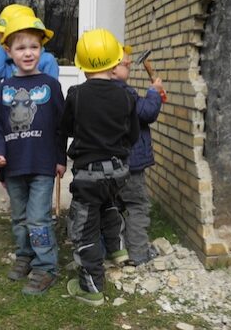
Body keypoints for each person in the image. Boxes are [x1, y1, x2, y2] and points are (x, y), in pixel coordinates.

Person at [60, 28, 140, 306]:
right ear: (115, 62)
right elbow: (133, 135)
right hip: (118, 170)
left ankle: (91, 287)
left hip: (88, 173)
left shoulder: (77, 94)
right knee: (109, 203)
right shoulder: (128, 96)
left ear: (81, 65)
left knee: (84, 227)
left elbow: (67, 127)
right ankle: (116, 249)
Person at [0, 14, 66, 296]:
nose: (28, 53)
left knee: (38, 218)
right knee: (19, 217)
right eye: (21, 48)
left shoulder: (51, 85)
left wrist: (60, 158)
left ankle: (45, 266)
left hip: (43, 165)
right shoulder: (2, 89)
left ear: (41, 49)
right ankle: (25, 255)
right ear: (8, 51)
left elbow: (61, 126)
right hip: (14, 165)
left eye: (34, 46)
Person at [111, 47, 164, 265]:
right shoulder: (126, 93)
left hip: (110, 164)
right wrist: (154, 91)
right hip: (131, 164)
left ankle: (115, 250)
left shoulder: (102, 93)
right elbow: (147, 112)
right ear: (112, 69)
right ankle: (139, 253)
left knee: (113, 206)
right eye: (126, 64)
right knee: (137, 206)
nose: (130, 65)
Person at [0, 3, 59, 79]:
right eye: (4, 36)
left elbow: (52, 87)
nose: (27, 53)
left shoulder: (47, 60)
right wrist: (4, 43)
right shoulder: (8, 62)